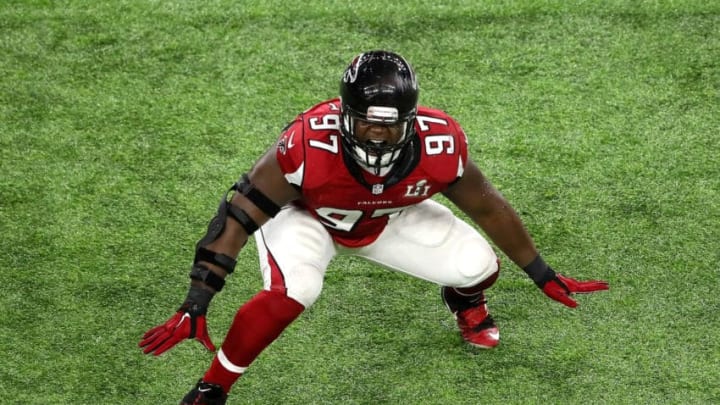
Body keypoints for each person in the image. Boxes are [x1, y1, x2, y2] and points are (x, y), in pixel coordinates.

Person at [139, 50, 609, 405]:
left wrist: (541, 272)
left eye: (390, 124)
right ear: (345, 115)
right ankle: (212, 388)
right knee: (294, 291)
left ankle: (464, 301)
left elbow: (488, 208)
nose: (378, 134)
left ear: (412, 119)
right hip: (309, 219)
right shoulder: (307, 143)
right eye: (366, 122)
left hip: (386, 217)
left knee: (476, 266)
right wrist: (196, 301)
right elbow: (238, 218)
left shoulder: (441, 143)